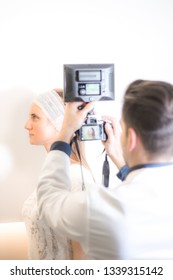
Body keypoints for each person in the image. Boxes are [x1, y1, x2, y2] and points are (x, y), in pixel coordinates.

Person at [37, 80, 173, 259]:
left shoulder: (100, 206)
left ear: (130, 138)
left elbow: (48, 202)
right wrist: (119, 160)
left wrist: (65, 133)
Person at [22, 88, 94, 260]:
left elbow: (83, 256)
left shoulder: (77, 178)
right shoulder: (52, 173)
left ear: (61, 123)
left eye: (35, 117)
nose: (26, 125)